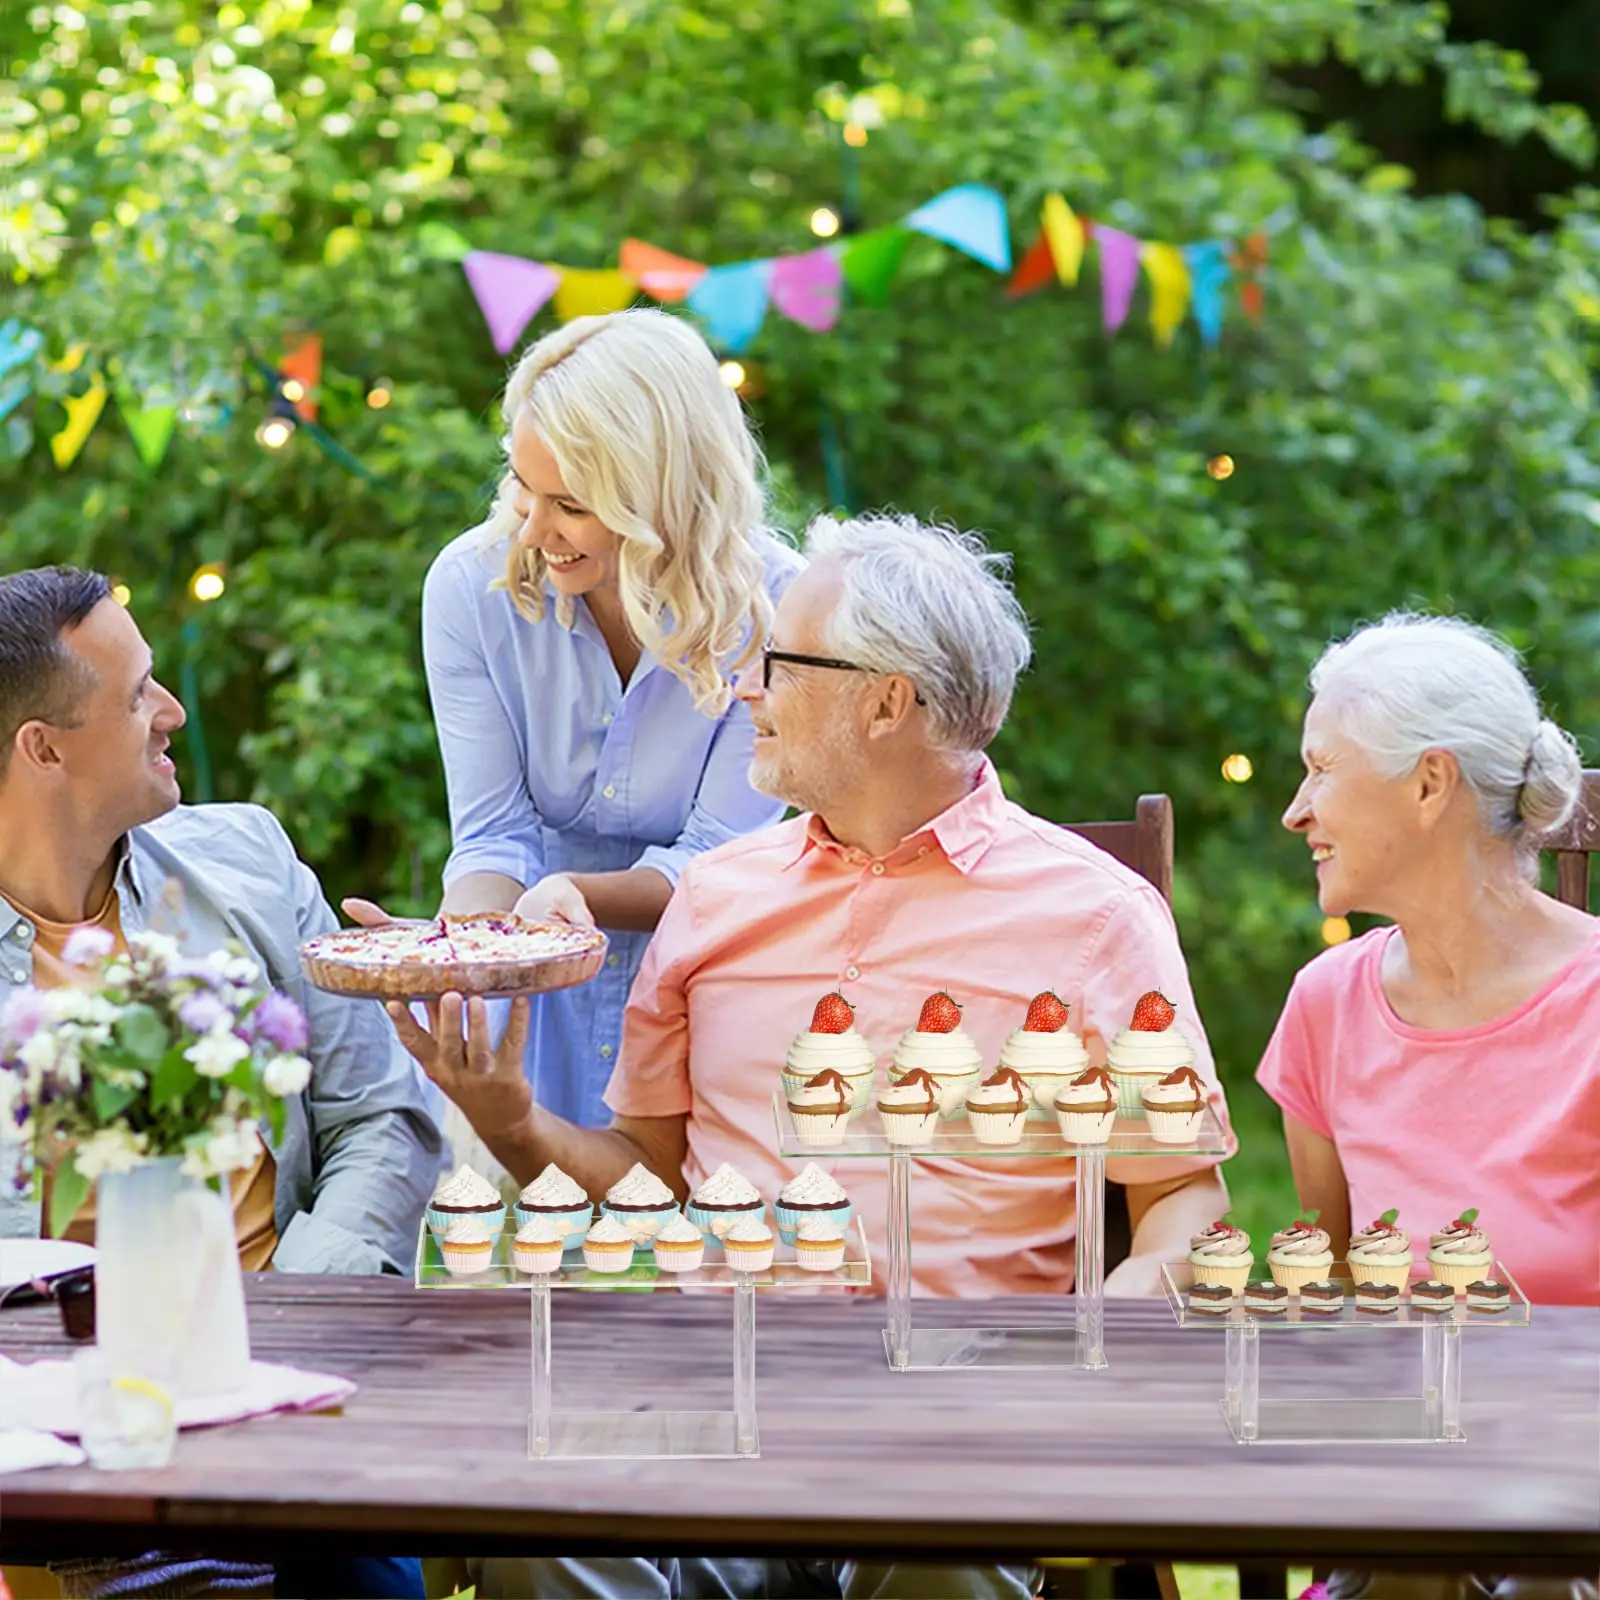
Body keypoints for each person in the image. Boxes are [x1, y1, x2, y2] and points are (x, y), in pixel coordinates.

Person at [393, 513, 1238, 1600]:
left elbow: (1184, 1205)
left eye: (778, 663)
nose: (745, 688)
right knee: (542, 1504)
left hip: (953, 1410)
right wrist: (511, 1119)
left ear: (887, 700)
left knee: (931, 1529)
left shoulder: (1093, 917)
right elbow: (647, 1175)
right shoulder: (714, 898)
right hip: (715, 1396)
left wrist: (1081, 1366)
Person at [0, 565, 441, 1600]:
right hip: (53, 1441)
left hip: (282, 1401)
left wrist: (287, 1313)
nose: (172, 711)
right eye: (138, 691)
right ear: (43, 748)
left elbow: (381, 1114)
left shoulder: (248, 860)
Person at [349, 307, 802, 1147]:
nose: (531, 527)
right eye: (522, 485)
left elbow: (715, 862)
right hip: (533, 1002)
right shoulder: (470, 589)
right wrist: (460, 959)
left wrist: (568, 903)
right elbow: (493, 835)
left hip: (705, 991)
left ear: (659, 500)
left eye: (569, 504)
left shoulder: (782, 610)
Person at [1259, 614, 1599, 1600]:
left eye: (1319, 770)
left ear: (1427, 782)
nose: (1294, 810)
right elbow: (1325, 1312)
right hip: (1403, 1502)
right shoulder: (1325, 1005)